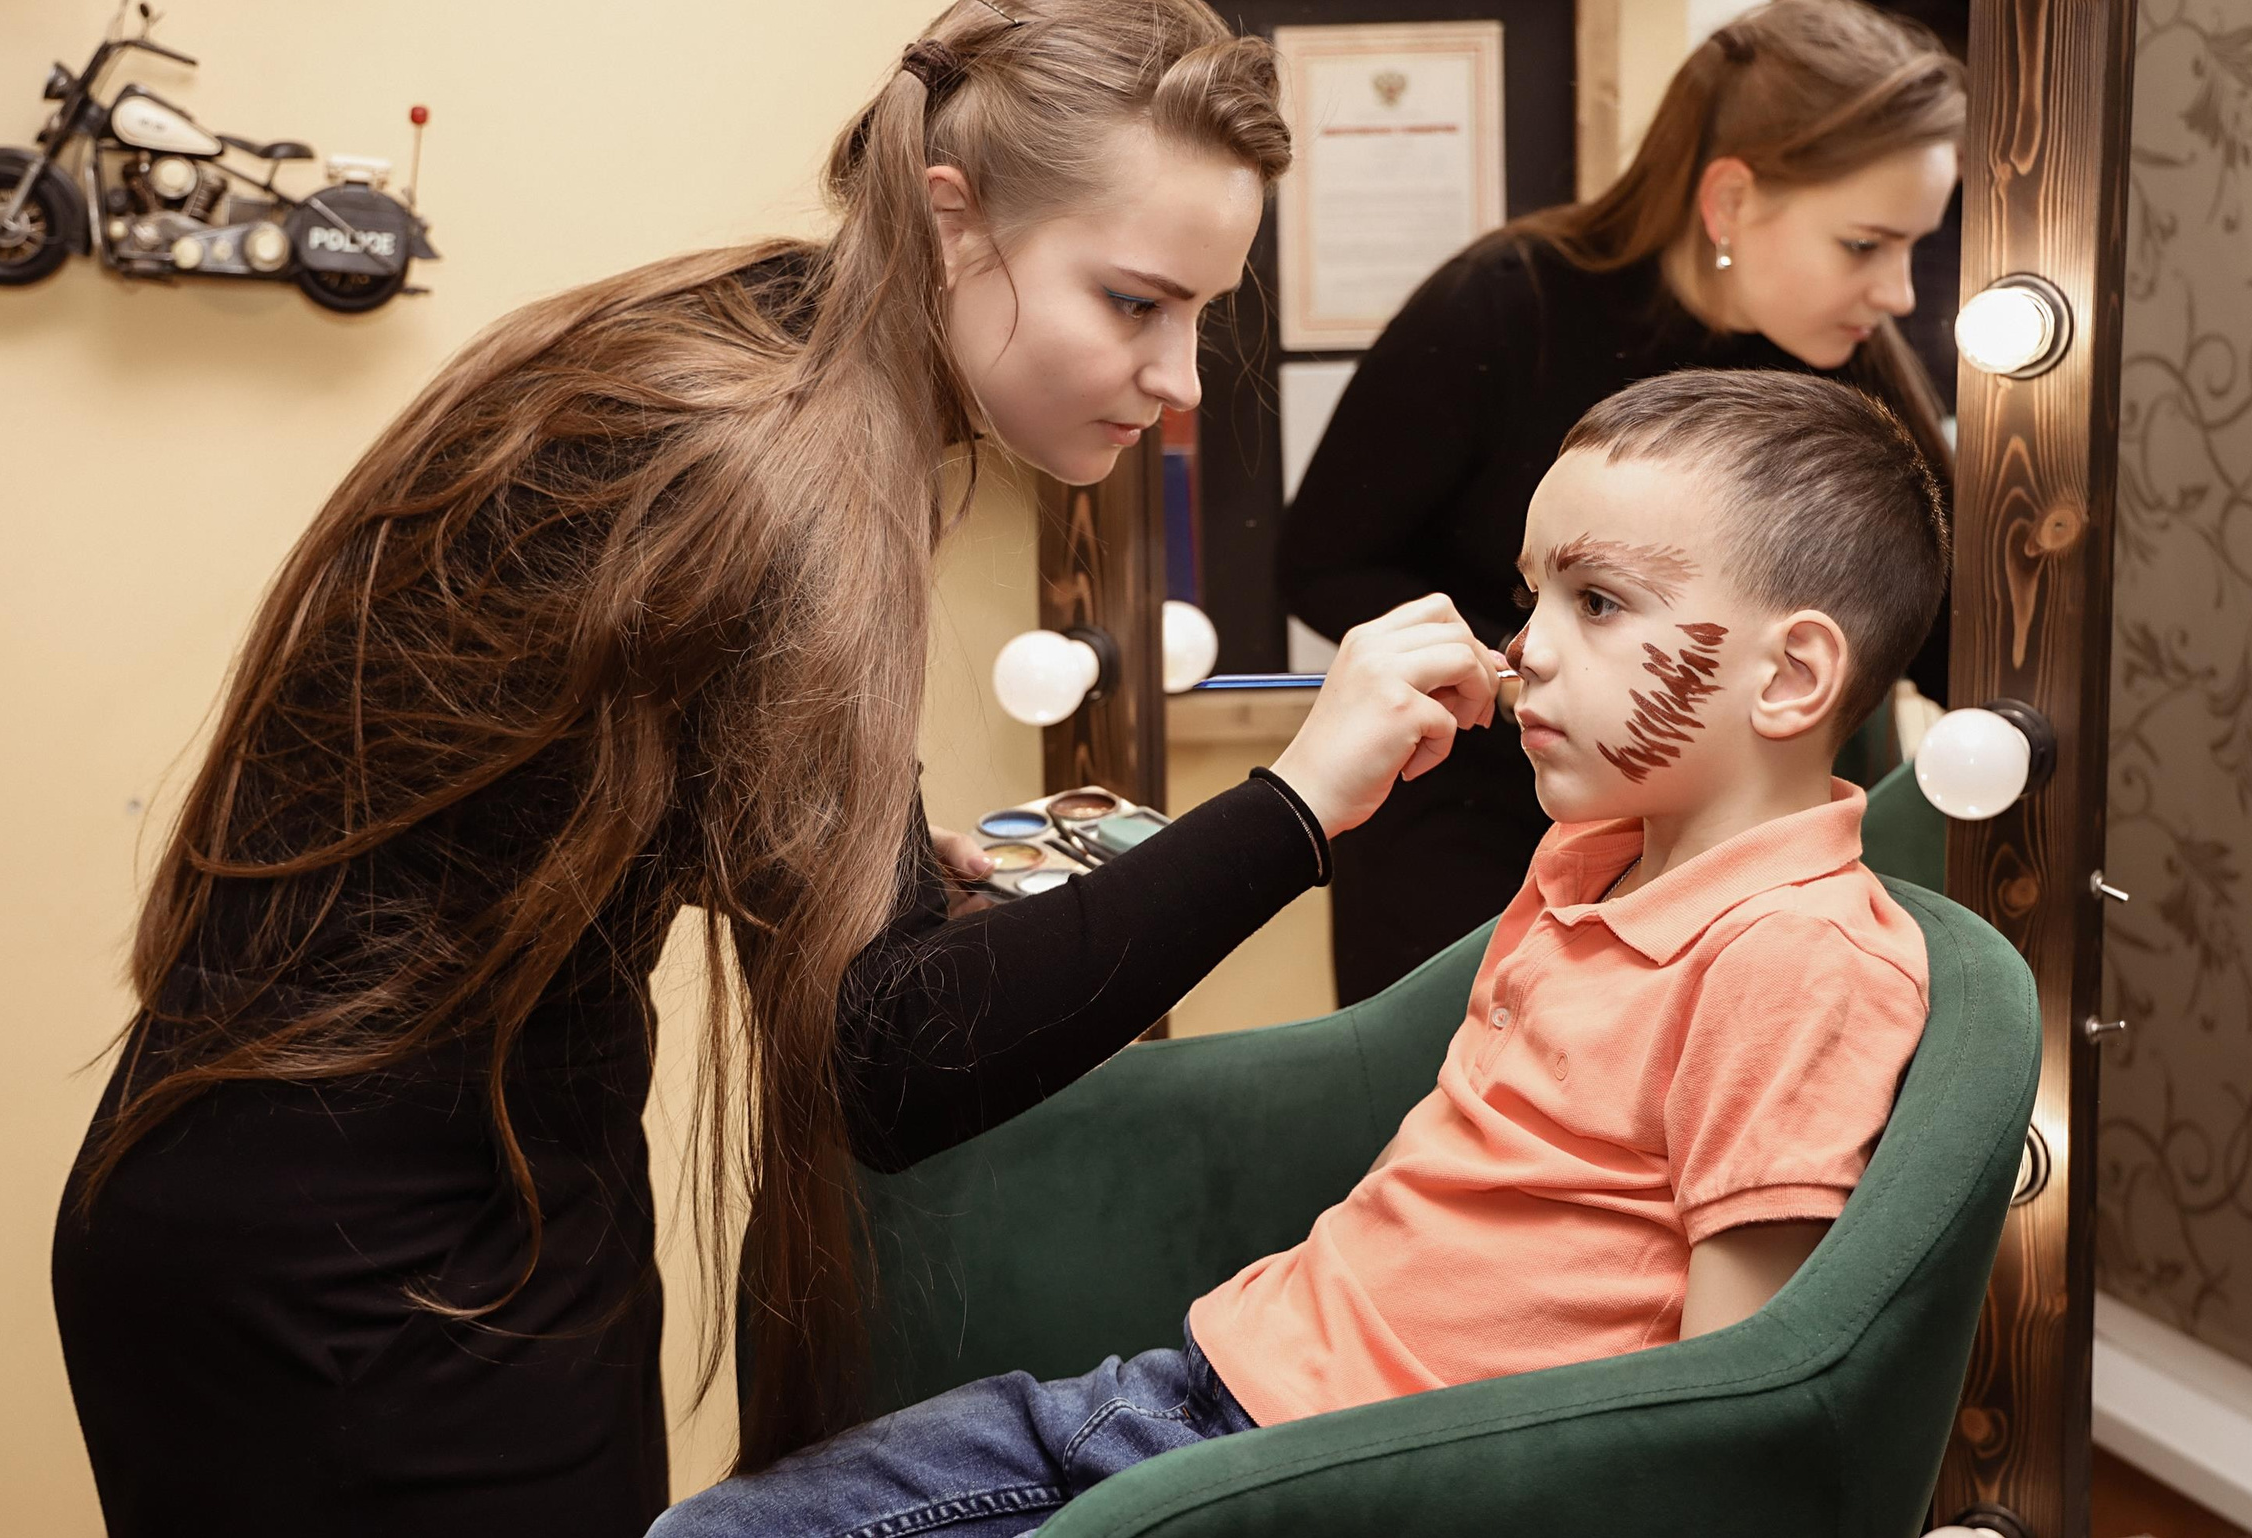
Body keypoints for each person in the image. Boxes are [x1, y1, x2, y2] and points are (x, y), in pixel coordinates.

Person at [49, 0, 1506, 1538]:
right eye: (1132, 302)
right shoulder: (771, 468)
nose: (1172, 382)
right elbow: (887, 1058)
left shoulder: (742, 341)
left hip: (346, 1192)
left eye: (1202, 316)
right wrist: (1298, 806)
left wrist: (864, 867)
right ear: (954, 218)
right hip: (357, 1274)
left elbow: (593, 805)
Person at [648, 367, 1947, 1538]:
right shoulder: (1589, 863)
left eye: (1598, 600)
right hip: (1204, 1387)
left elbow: (1728, 1401)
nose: (1525, 647)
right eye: (1530, 594)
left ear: (1789, 679)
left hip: (1334, 1481)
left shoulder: (1800, 956)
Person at [1280, 0, 1967, 1006]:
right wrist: (1537, 677)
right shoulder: (1505, 306)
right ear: (1728, 202)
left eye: (1914, 246)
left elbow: (1957, 638)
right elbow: (1324, 560)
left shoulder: (1853, 375)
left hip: (1729, 880)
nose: (1901, 295)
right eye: (1864, 246)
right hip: (1471, 840)